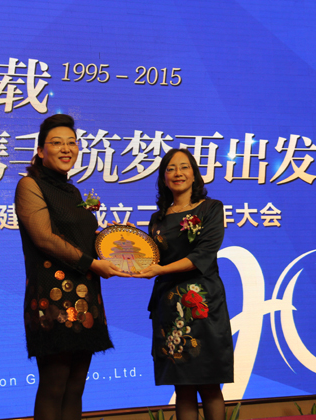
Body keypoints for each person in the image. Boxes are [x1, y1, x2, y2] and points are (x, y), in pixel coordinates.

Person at [15, 114, 128, 420]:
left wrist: (116, 240)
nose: (66, 149)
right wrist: (92, 263)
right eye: (56, 143)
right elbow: (44, 238)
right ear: (41, 151)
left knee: (76, 386)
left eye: (71, 143)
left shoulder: (73, 191)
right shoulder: (29, 185)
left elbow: (80, 239)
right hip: (52, 297)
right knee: (54, 385)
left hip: (85, 295)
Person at [133, 148, 234, 420]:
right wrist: (128, 239)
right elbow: (151, 257)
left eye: (184, 167)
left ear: (194, 174)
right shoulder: (158, 219)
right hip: (169, 308)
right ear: (163, 178)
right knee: (183, 386)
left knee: (210, 384)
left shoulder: (211, 208)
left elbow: (203, 255)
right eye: (170, 169)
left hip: (203, 306)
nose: (177, 173)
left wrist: (162, 269)